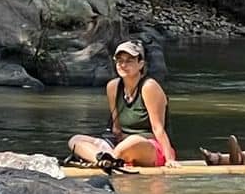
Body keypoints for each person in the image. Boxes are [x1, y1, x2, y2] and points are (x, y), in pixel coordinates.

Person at [68, 39, 175, 171]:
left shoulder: (149, 87)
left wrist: (169, 159)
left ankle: (109, 158)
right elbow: (116, 127)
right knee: (75, 140)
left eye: (129, 61)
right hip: (121, 145)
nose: (123, 65)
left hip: (149, 147)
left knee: (132, 141)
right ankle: (104, 160)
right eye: (120, 61)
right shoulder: (113, 87)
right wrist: (104, 143)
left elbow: (158, 128)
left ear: (141, 64)